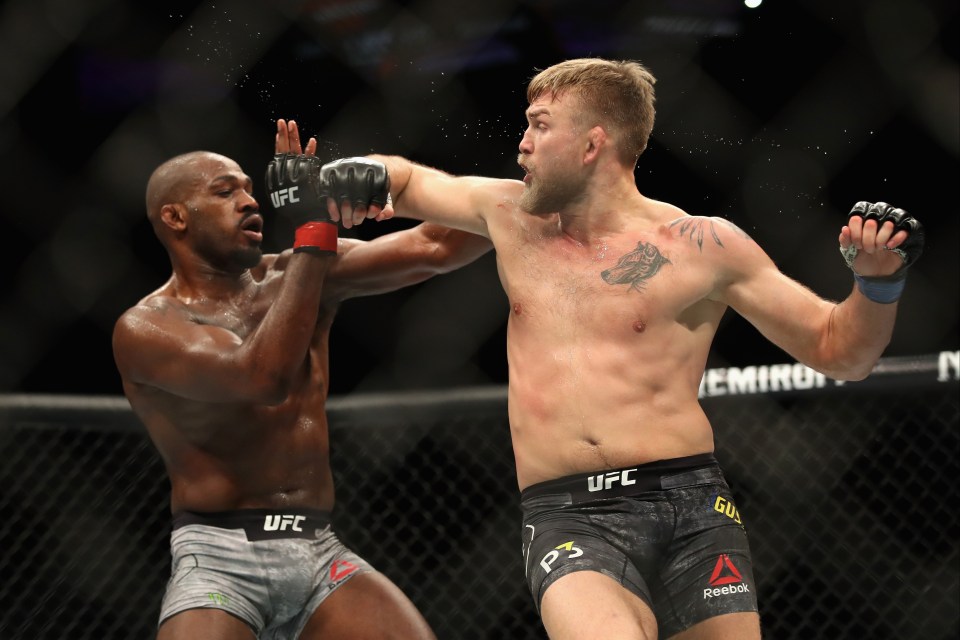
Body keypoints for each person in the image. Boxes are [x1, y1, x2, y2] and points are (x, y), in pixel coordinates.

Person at [319, 58, 925, 639]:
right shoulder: (508, 214)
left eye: (539, 126)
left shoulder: (703, 245)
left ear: (592, 145)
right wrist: (356, 170)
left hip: (693, 506)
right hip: (569, 516)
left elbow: (842, 352)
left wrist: (876, 285)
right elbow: (410, 179)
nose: (522, 144)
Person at [111, 119, 491, 640]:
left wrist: (400, 186)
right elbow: (260, 377)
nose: (249, 201)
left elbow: (439, 247)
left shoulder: (295, 272)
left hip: (318, 551)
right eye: (225, 192)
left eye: (250, 188)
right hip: (221, 557)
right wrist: (314, 234)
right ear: (175, 217)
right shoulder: (146, 327)